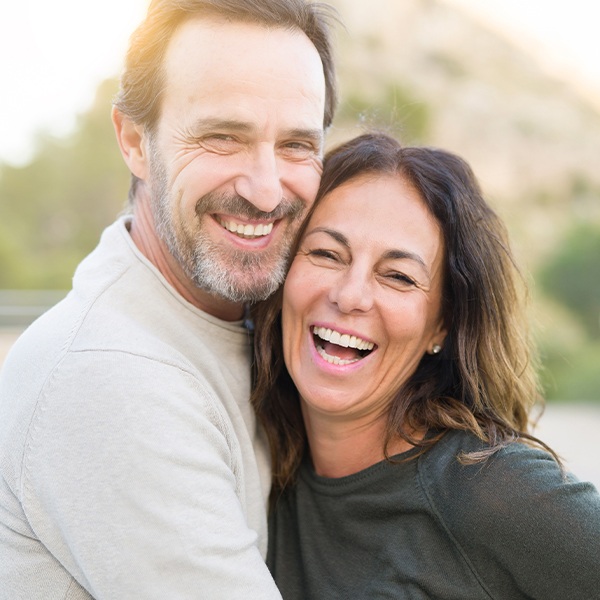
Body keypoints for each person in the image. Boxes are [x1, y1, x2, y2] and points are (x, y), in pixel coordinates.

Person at [0, 0, 338, 598]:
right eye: (222, 137)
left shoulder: (263, 323)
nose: (265, 190)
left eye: (295, 145)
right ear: (134, 139)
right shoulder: (108, 377)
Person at [252, 132, 600, 599]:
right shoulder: (253, 467)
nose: (349, 295)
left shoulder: (491, 488)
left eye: (398, 276)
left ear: (443, 325)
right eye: (326, 253)